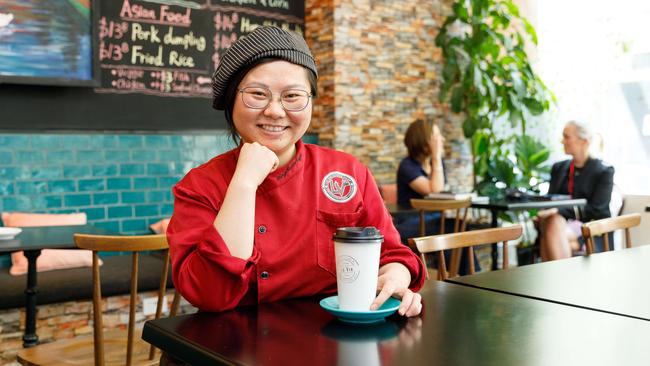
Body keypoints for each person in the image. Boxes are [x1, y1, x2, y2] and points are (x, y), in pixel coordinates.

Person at [166, 26, 425, 317]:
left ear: (311, 102)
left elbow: (392, 252)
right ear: (231, 99)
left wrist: (396, 274)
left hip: (332, 341)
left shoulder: (347, 172)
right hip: (233, 348)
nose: (275, 111)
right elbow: (209, 293)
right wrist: (244, 184)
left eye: (292, 96)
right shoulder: (200, 186)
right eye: (257, 94)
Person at [538, 120, 615, 261]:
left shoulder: (603, 171)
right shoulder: (558, 168)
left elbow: (597, 209)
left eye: (566, 137)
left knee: (550, 231)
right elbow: (550, 200)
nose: (562, 141)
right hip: (562, 226)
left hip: (592, 228)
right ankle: (563, 279)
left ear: (584, 141)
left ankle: (555, 279)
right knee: (553, 224)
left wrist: (558, 211)